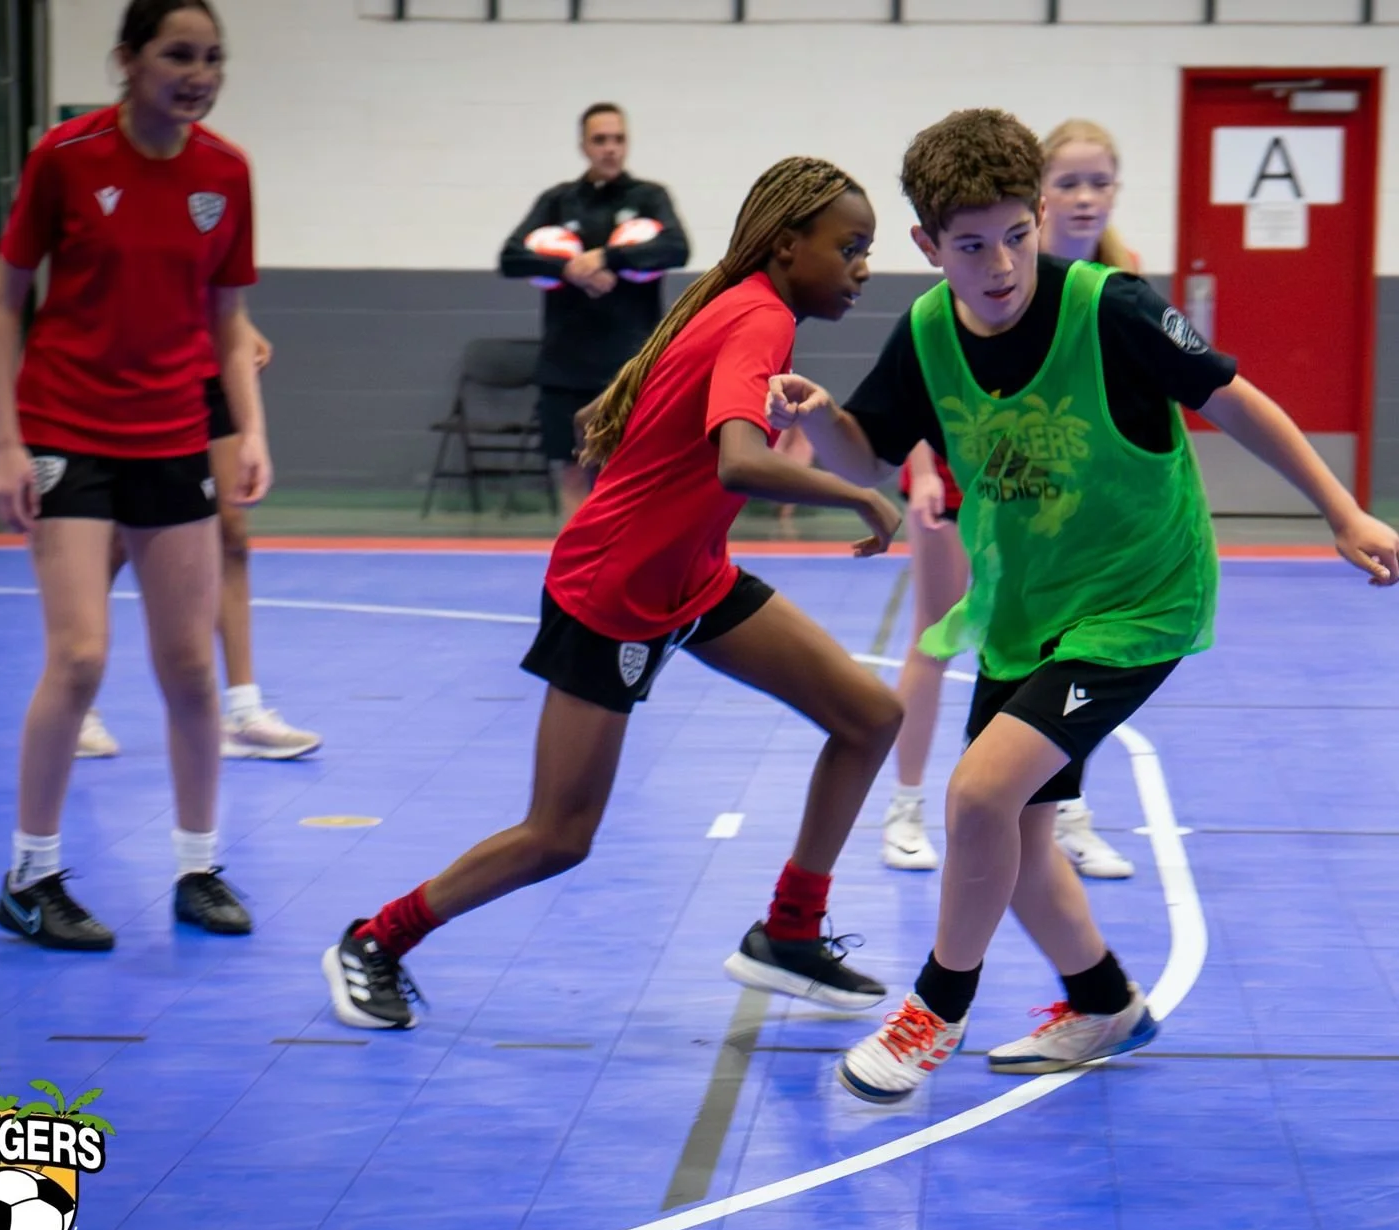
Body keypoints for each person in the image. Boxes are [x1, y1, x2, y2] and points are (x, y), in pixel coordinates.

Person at [768, 109, 1399, 1103]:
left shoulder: (1109, 308)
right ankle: (1101, 999)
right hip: (1027, 612)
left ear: (1036, 221)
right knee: (1016, 834)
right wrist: (822, 428)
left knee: (980, 795)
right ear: (926, 247)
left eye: (1014, 236)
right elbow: (874, 451)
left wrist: (1340, 509)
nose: (998, 265)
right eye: (969, 246)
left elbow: (1235, 398)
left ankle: (935, 1007)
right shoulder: (929, 332)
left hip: (1137, 603)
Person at [322, 157, 904, 1032]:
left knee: (870, 717)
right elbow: (740, 460)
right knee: (560, 834)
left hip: (691, 576)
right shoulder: (760, 316)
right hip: (614, 590)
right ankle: (375, 939)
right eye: (850, 247)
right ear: (788, 246)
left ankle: (789, 931)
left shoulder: (747, 308)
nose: (862, 267)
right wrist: (858, 494)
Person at [0, 0, 262, 951]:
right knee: (82, 655)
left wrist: (250, 430)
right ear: (127, 61)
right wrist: (6, 443)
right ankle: (31, 875)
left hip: (173, 435)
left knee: (189, 664)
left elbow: (228, 319)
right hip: (68, 430)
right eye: (178, 54)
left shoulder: (225, 173)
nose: (198, 72)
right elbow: (2, 304)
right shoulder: (66, 159)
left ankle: (198, 866)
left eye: (213, 57)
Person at [880, 117, 1140, 881]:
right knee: (939, 634)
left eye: (1100, 181)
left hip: (1050, 493)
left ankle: (1065, 812)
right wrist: (924, 469)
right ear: (1040, 195)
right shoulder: (990, 264)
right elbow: (925, 371)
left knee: (1067, 649)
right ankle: (904, 806)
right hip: (966, 478)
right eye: (1069, 182)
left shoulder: (1112, 287)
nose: (1085, 197)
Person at [77, 326, 324, 762]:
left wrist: (240, 327)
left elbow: (212, 274)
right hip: (142, 367)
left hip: (209, 367)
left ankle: (244, 714)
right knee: (120, 538)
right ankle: (76, 700)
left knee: (232, 532)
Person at [499, 103, 689, 517]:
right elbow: (510, 258)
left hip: (628, 362)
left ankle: (626, 569)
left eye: (618, 139)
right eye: (600, 140)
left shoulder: (649, 198)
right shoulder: (557, 201)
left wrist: (606, 258)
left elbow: (677, 248)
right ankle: (575, 572)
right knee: (570, 469)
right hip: (565, 361)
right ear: (584, 145)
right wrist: (567, 267)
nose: (610, 149)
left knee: (625, 471)